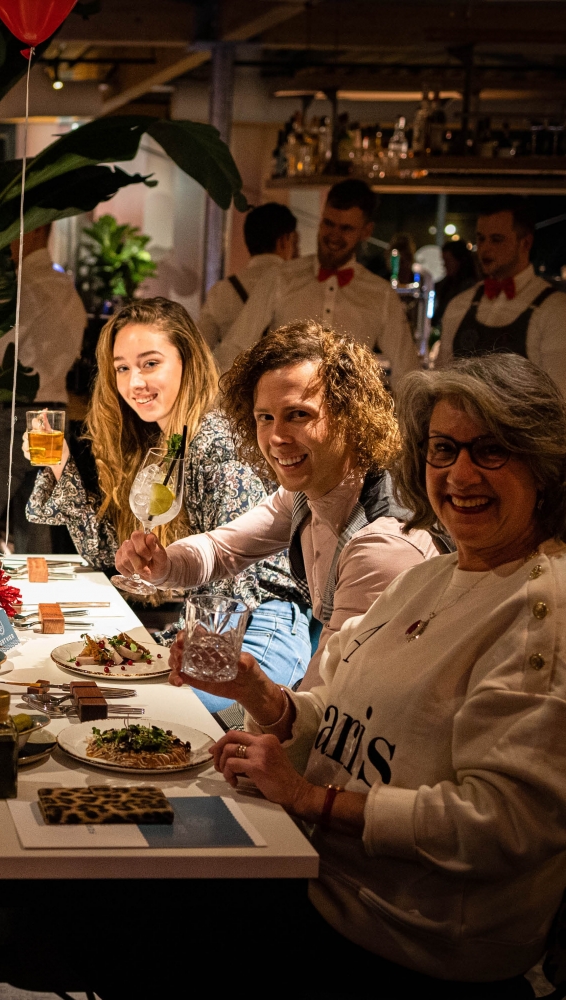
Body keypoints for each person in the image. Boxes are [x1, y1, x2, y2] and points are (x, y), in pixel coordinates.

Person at [165, 352, 566, 996]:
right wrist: (260, 694)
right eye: (443, 449)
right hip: (322, 881)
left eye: (491, 450)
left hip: (405, 941)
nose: (460, 473)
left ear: (543, 465)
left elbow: (500, 825)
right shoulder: (432, 576)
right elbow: (342, 710)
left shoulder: (541, 612)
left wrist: (309, 798)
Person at [117, 320, 438, 690]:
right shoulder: (308, 493)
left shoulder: (382, 544)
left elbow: (326, 699)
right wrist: (164, 564)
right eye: (265, 418)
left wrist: (249, 690)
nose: (277, 437)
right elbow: (221, 550)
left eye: (298, 414)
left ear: (352, 416)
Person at [26, 297, 311, 714]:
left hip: (258, 630)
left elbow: (247, 571)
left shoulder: (216, 443)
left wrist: (176, 629)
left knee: (145, 711)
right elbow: (110, 554)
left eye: (150, 363)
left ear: (187, 362)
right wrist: (59, 466)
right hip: (208, 628)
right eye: (122, 368)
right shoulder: (168, 444)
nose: (134, 382)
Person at [214, 179, 421, 391]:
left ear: (366, 231)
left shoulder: (381, 294)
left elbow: (407, 370)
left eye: (346, 228)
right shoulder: (281, 277)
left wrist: (401, 422)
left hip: (349, 419)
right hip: (285, 409)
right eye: (328, 223)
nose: (334, 236)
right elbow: (235, 346)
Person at [0, 223, 86, 553]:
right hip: (54, 414)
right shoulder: (67, 287)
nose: (9, 241)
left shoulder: (20, 285)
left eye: (16, 232)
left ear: (39, 231)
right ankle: (36, 600)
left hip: (17, 412)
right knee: (34, 523)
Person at [437, 195, 566, 396]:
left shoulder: (555, 310)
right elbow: (441, 382)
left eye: (497, 239)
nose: (485, 248)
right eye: (481, 238)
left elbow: (560, 396)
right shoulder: (460, 305)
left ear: (525, 243)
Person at [198, 202, 297, 352]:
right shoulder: (294, 286)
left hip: (230, 372)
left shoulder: (222, 290)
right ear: (284, 240)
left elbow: (201, 346)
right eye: (293, 241)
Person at [433, 238, 480, 327]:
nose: (444, 264)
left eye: (448, 261)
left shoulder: (469, 286)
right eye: (443, 261)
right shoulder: (444, 284)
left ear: (460, 261)